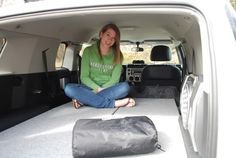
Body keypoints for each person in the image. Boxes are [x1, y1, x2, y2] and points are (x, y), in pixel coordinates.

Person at [64, 23, 135, 109]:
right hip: (89, 88)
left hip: (109, 89)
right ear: (101, 34)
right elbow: (84, 77)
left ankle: (84, 100)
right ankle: (113, 104)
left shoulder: (118, 55)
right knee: (68, 88)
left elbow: (114, 80)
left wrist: (97, 92)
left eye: (114, 38)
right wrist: (97, 89)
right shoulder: (88, 51)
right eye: (108, 35)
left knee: (125, 87)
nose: (110, 39)